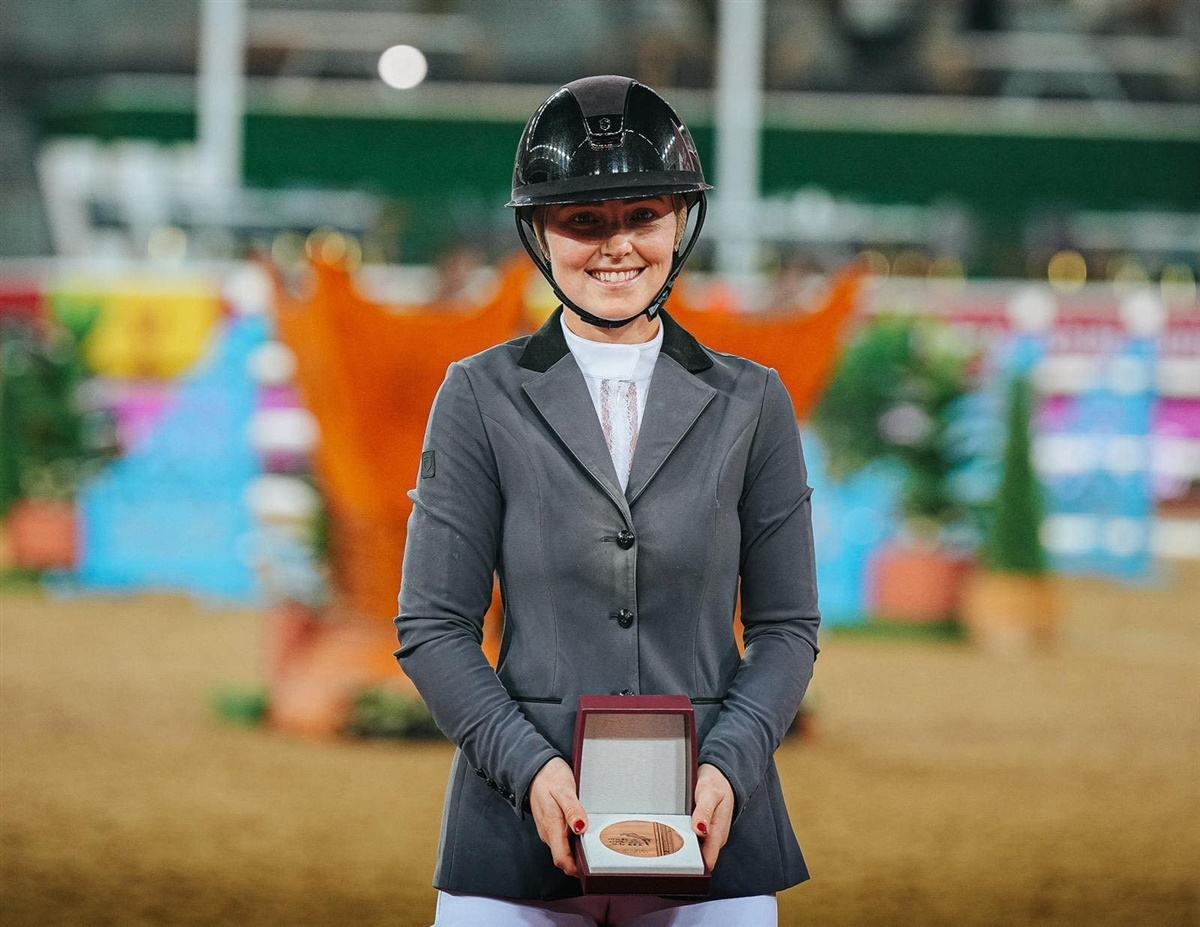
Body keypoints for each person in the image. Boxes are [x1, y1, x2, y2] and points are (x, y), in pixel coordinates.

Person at [395, 75, 821, 927]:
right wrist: (531, 769)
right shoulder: (477, 395)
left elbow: (787, 626)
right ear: (539, 233)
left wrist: (729, 765)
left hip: (713, 824)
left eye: (643, 215)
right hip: (516, 827)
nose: (616, 246)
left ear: (679, 222)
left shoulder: (754, 402)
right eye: (583, 220)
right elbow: (432, 624)